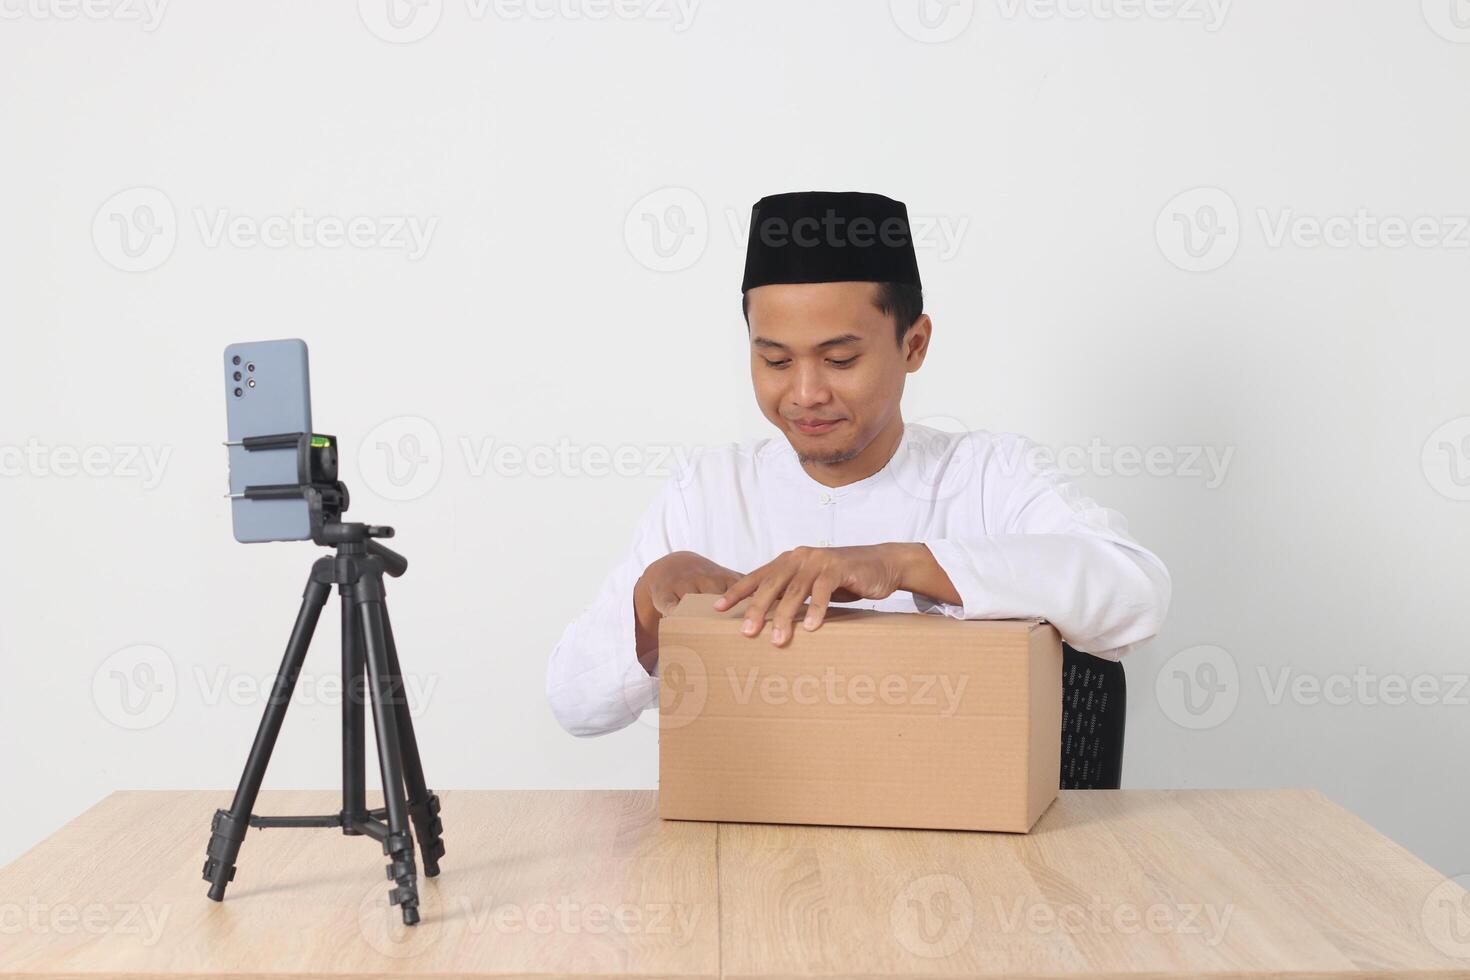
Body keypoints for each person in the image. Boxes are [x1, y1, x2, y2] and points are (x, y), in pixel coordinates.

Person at [546, 190, 1170, 737]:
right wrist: (647, 606)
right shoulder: (708, 489)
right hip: (753, 839)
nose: (806, 393)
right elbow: (574, 705)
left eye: (840, 360)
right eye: (775, 361)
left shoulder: (986, 475)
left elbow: (1135, 595)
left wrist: (900, 564)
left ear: (914, 344)